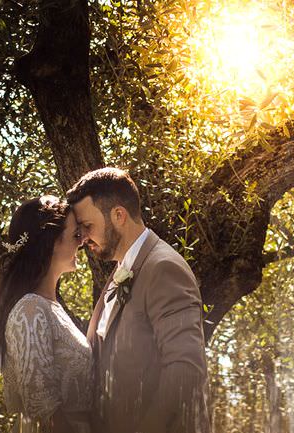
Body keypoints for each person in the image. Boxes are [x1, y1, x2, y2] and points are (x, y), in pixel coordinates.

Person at [66, 167, 209, 433]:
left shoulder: (164, 268)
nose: (83, 238)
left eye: (88, 226)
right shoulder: (121, 272)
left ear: (118, 215)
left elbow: (186, 370)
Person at [0, 195, 92, 433]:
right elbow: (45, 411)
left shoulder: (49, 307)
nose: (83, 241)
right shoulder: (30, 310)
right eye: (75, 234)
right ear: (52, 241)